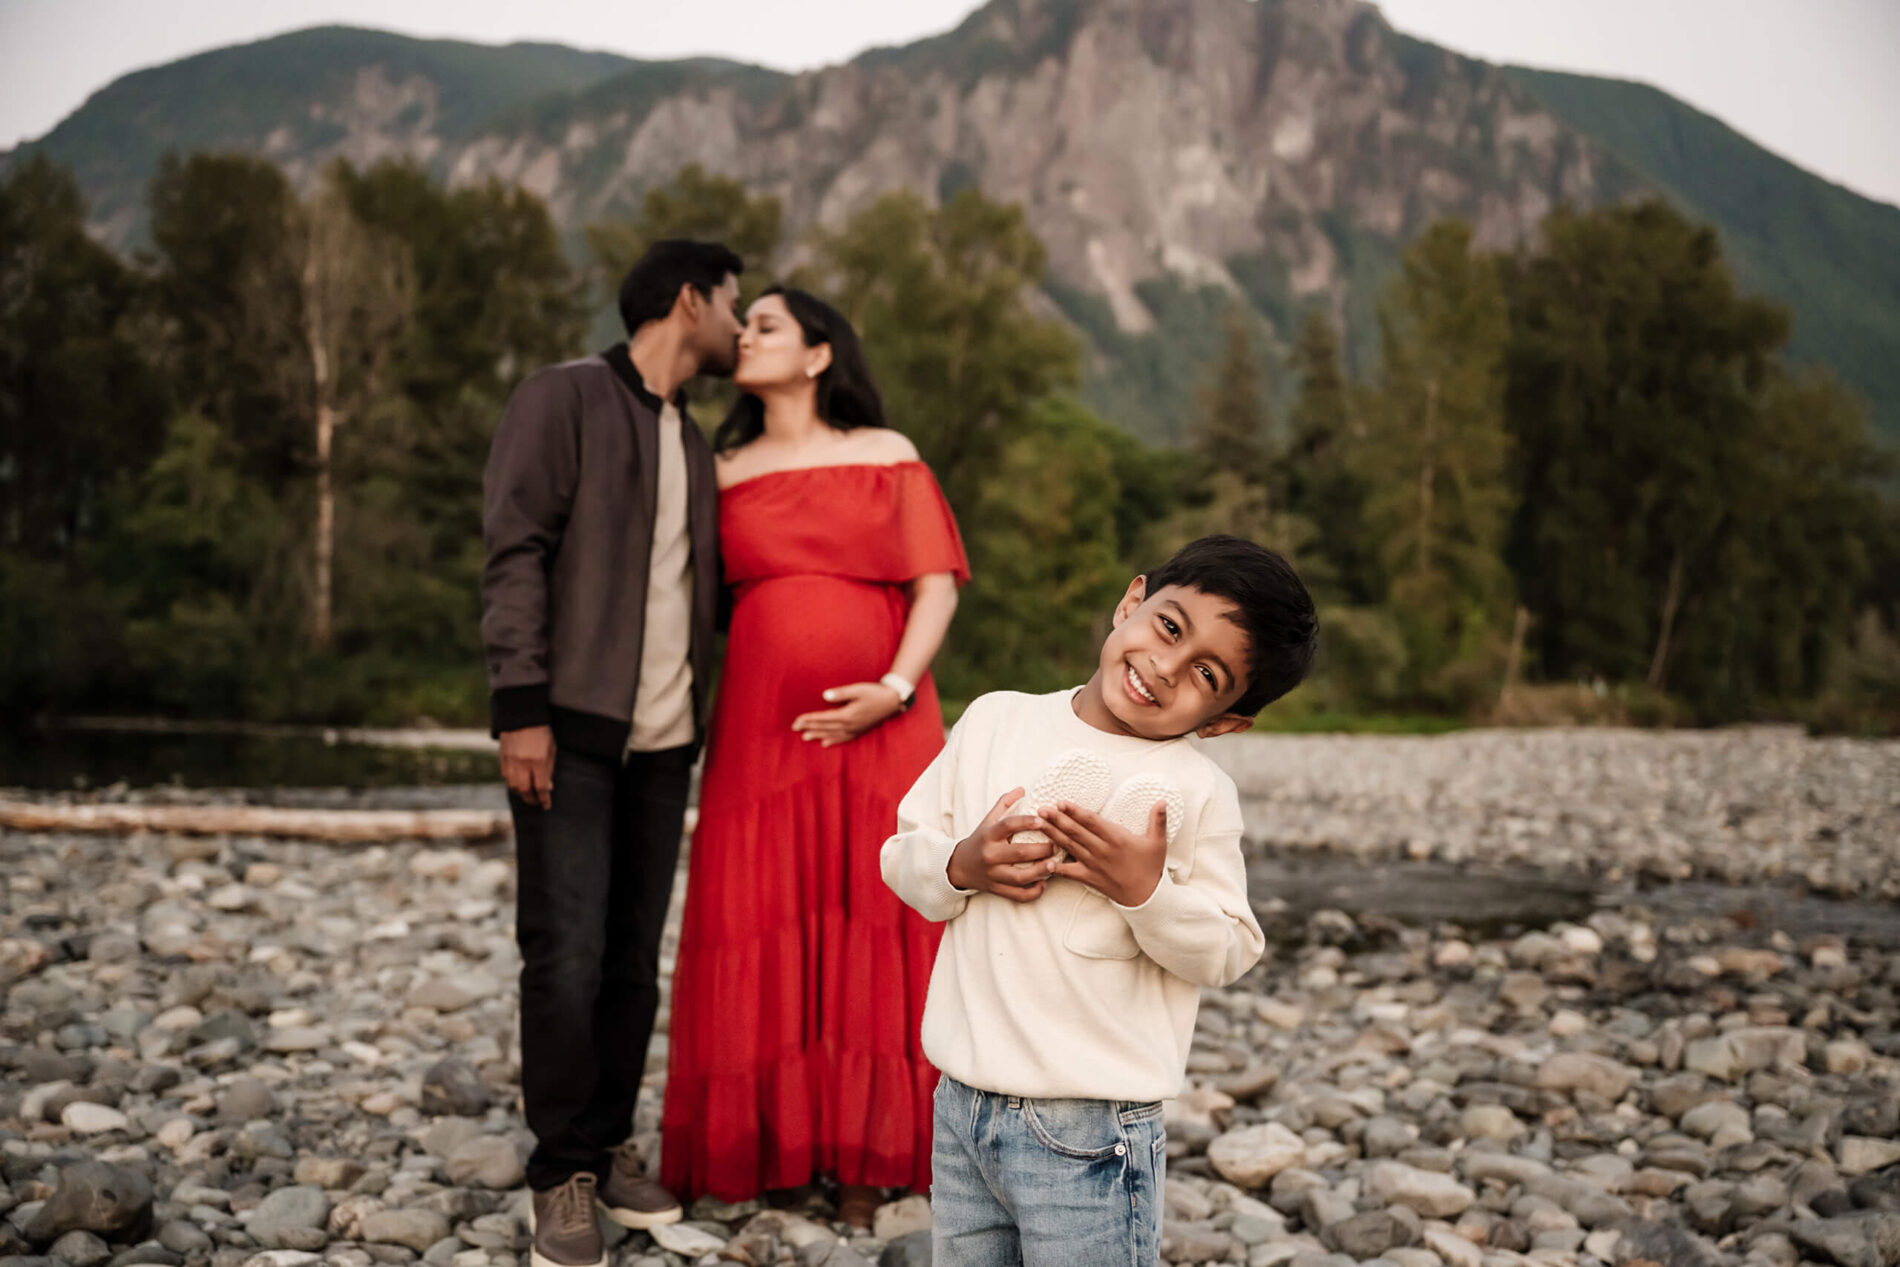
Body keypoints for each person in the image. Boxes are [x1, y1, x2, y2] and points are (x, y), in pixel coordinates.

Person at [880, 534, 1319, 1266]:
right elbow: (903, 855)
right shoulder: (995, 720)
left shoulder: (1196, 791)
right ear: (1131, 602)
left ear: (1224, 720)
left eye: (1205, 673)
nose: (1164, 665)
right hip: (962, 1103)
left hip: (1091, 1124)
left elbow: (1231, 947)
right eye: (1169, 627)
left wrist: (1146, 892)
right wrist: (963, 865)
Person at [659, 285, 968, 1225]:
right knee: (763, 913)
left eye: (766, 325)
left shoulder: (886, 454)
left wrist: (895, 688)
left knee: (874, 915)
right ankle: (775, 1150)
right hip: (762, 737)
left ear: (820, 353)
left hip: (888, 725)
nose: (744, 336)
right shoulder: (720, 467)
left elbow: (936, 586)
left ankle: (875, 1159)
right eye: (742, 322)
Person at [480, 241, 743, 1267]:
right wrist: (521, 707)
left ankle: (605, 1137)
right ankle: (561, 1173)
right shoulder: (564, 397)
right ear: (689, 300)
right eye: (732, 303)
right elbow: (515, 552)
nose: (738, 321)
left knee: (632, 960)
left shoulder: (694, 437)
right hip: (571, 732)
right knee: (565, 954)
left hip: (667, 745)